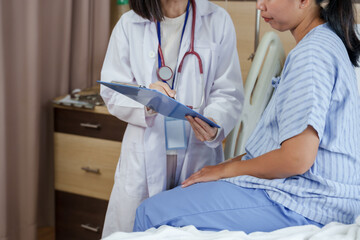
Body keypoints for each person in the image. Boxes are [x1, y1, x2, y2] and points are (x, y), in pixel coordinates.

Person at [133, 0, 360, 233]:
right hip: (320, 196)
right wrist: (227, 166)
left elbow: (296, 159)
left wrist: (223, 171)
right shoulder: (326, 40)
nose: (259, 6)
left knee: (149, 212)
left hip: (305, 202)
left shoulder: (311, 55)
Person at [100, 0, 244, 237]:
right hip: (146, 147)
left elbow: (228, 91)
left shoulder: (217, 20)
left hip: (197, 146)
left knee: (191, 229)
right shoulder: (129, 24)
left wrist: (214, 122)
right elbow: (113, 90)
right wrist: (148, 100)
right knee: (137, 228)